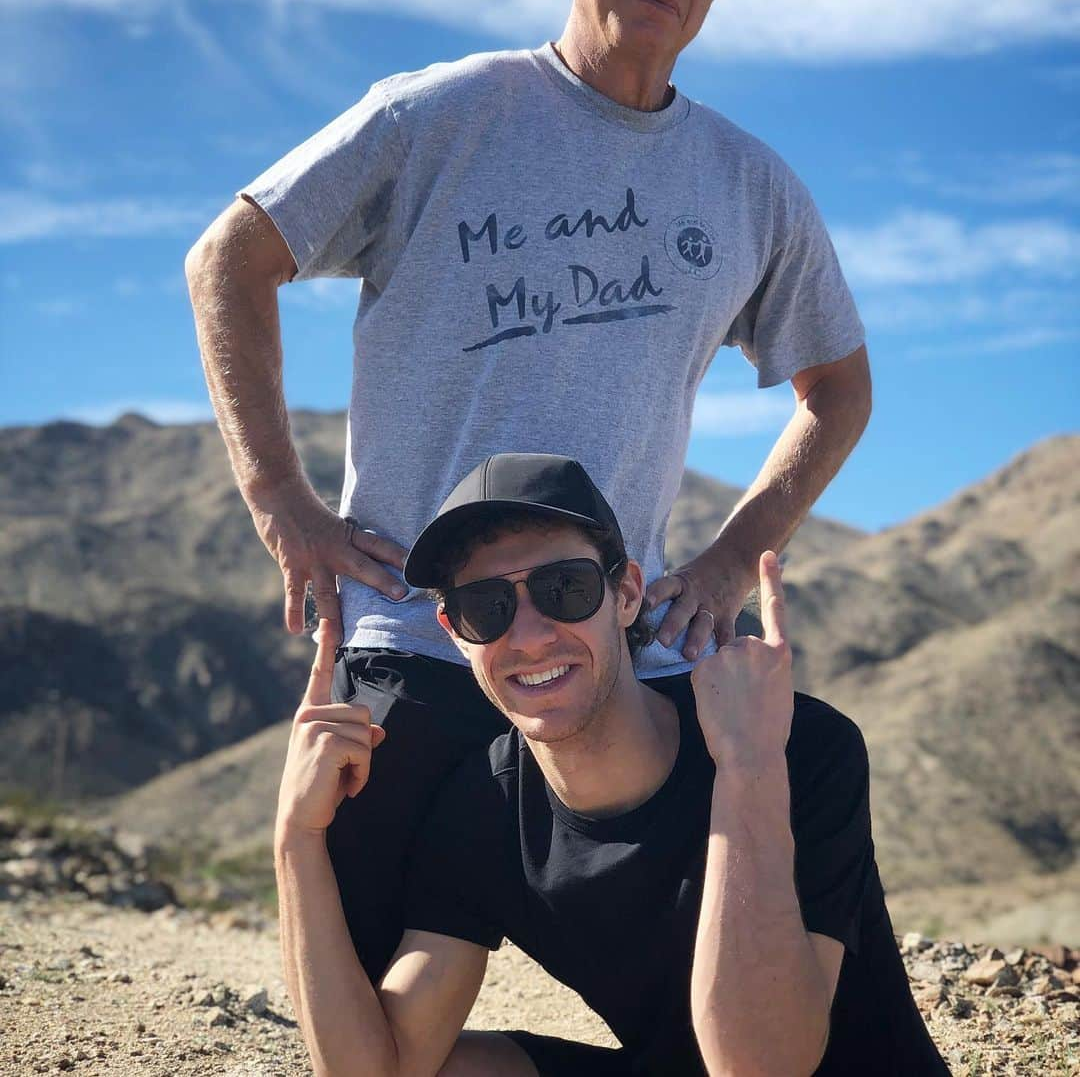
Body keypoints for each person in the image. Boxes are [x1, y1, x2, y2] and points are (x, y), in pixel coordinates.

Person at [186, 0, 872, 979]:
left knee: (727, 954)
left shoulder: (752, 186)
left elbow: (837, 389)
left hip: (611, 662)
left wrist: (725, 559)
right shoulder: (439, 114)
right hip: (417, 634)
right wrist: (279, 498)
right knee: (359, 1002)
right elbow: (230, 258)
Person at [275, 453, 950, 1077]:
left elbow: (762, 1068)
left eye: (564, 588)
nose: (532, 635)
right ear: (455, 632)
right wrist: (297, 839)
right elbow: (379, 1070)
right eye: (488, 607)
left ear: (626, 593)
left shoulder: (795, 745)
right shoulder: (484, 806)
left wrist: (747, 771)